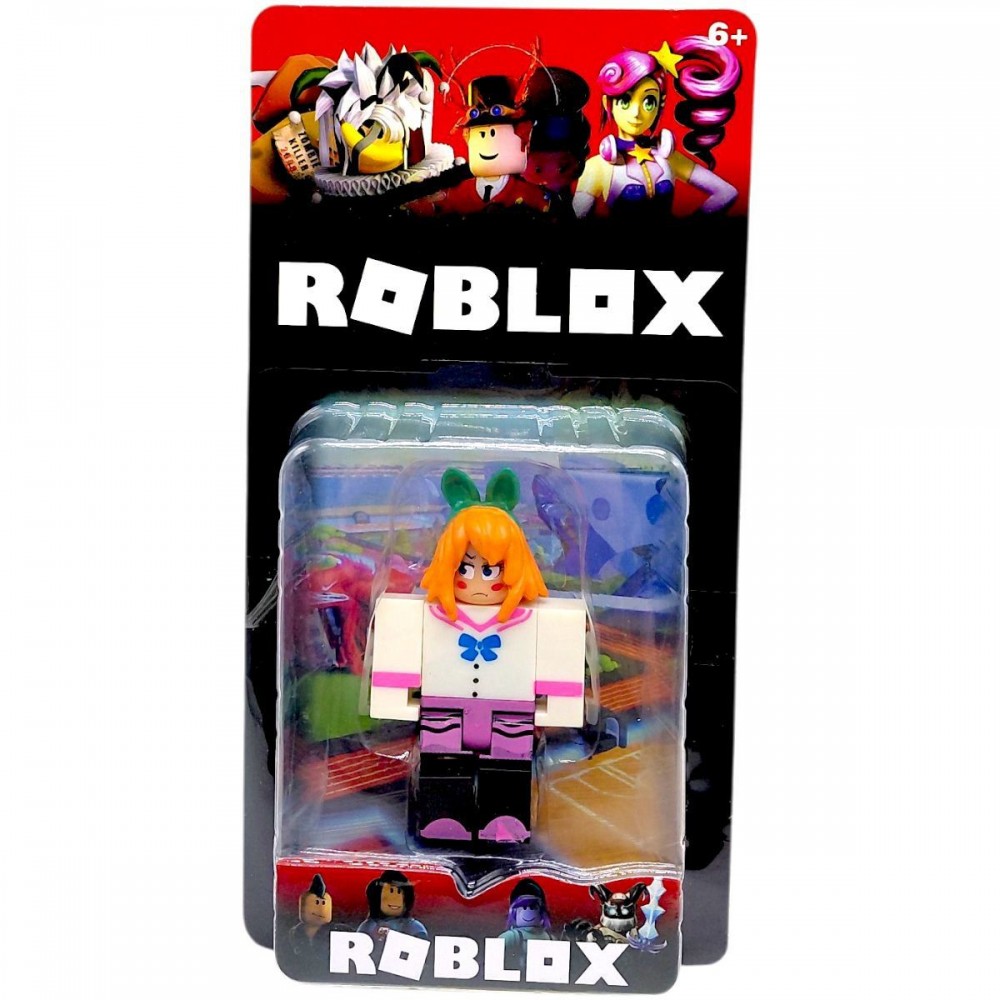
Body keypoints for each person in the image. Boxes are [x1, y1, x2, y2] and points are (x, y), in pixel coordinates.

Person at [572, 41, 737, 219]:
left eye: (649, 102)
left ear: (660, 105)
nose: (636, 113)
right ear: (607, 103)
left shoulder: (668, 157)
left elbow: (726, 192)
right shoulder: (596, 167)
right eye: (625, 101)